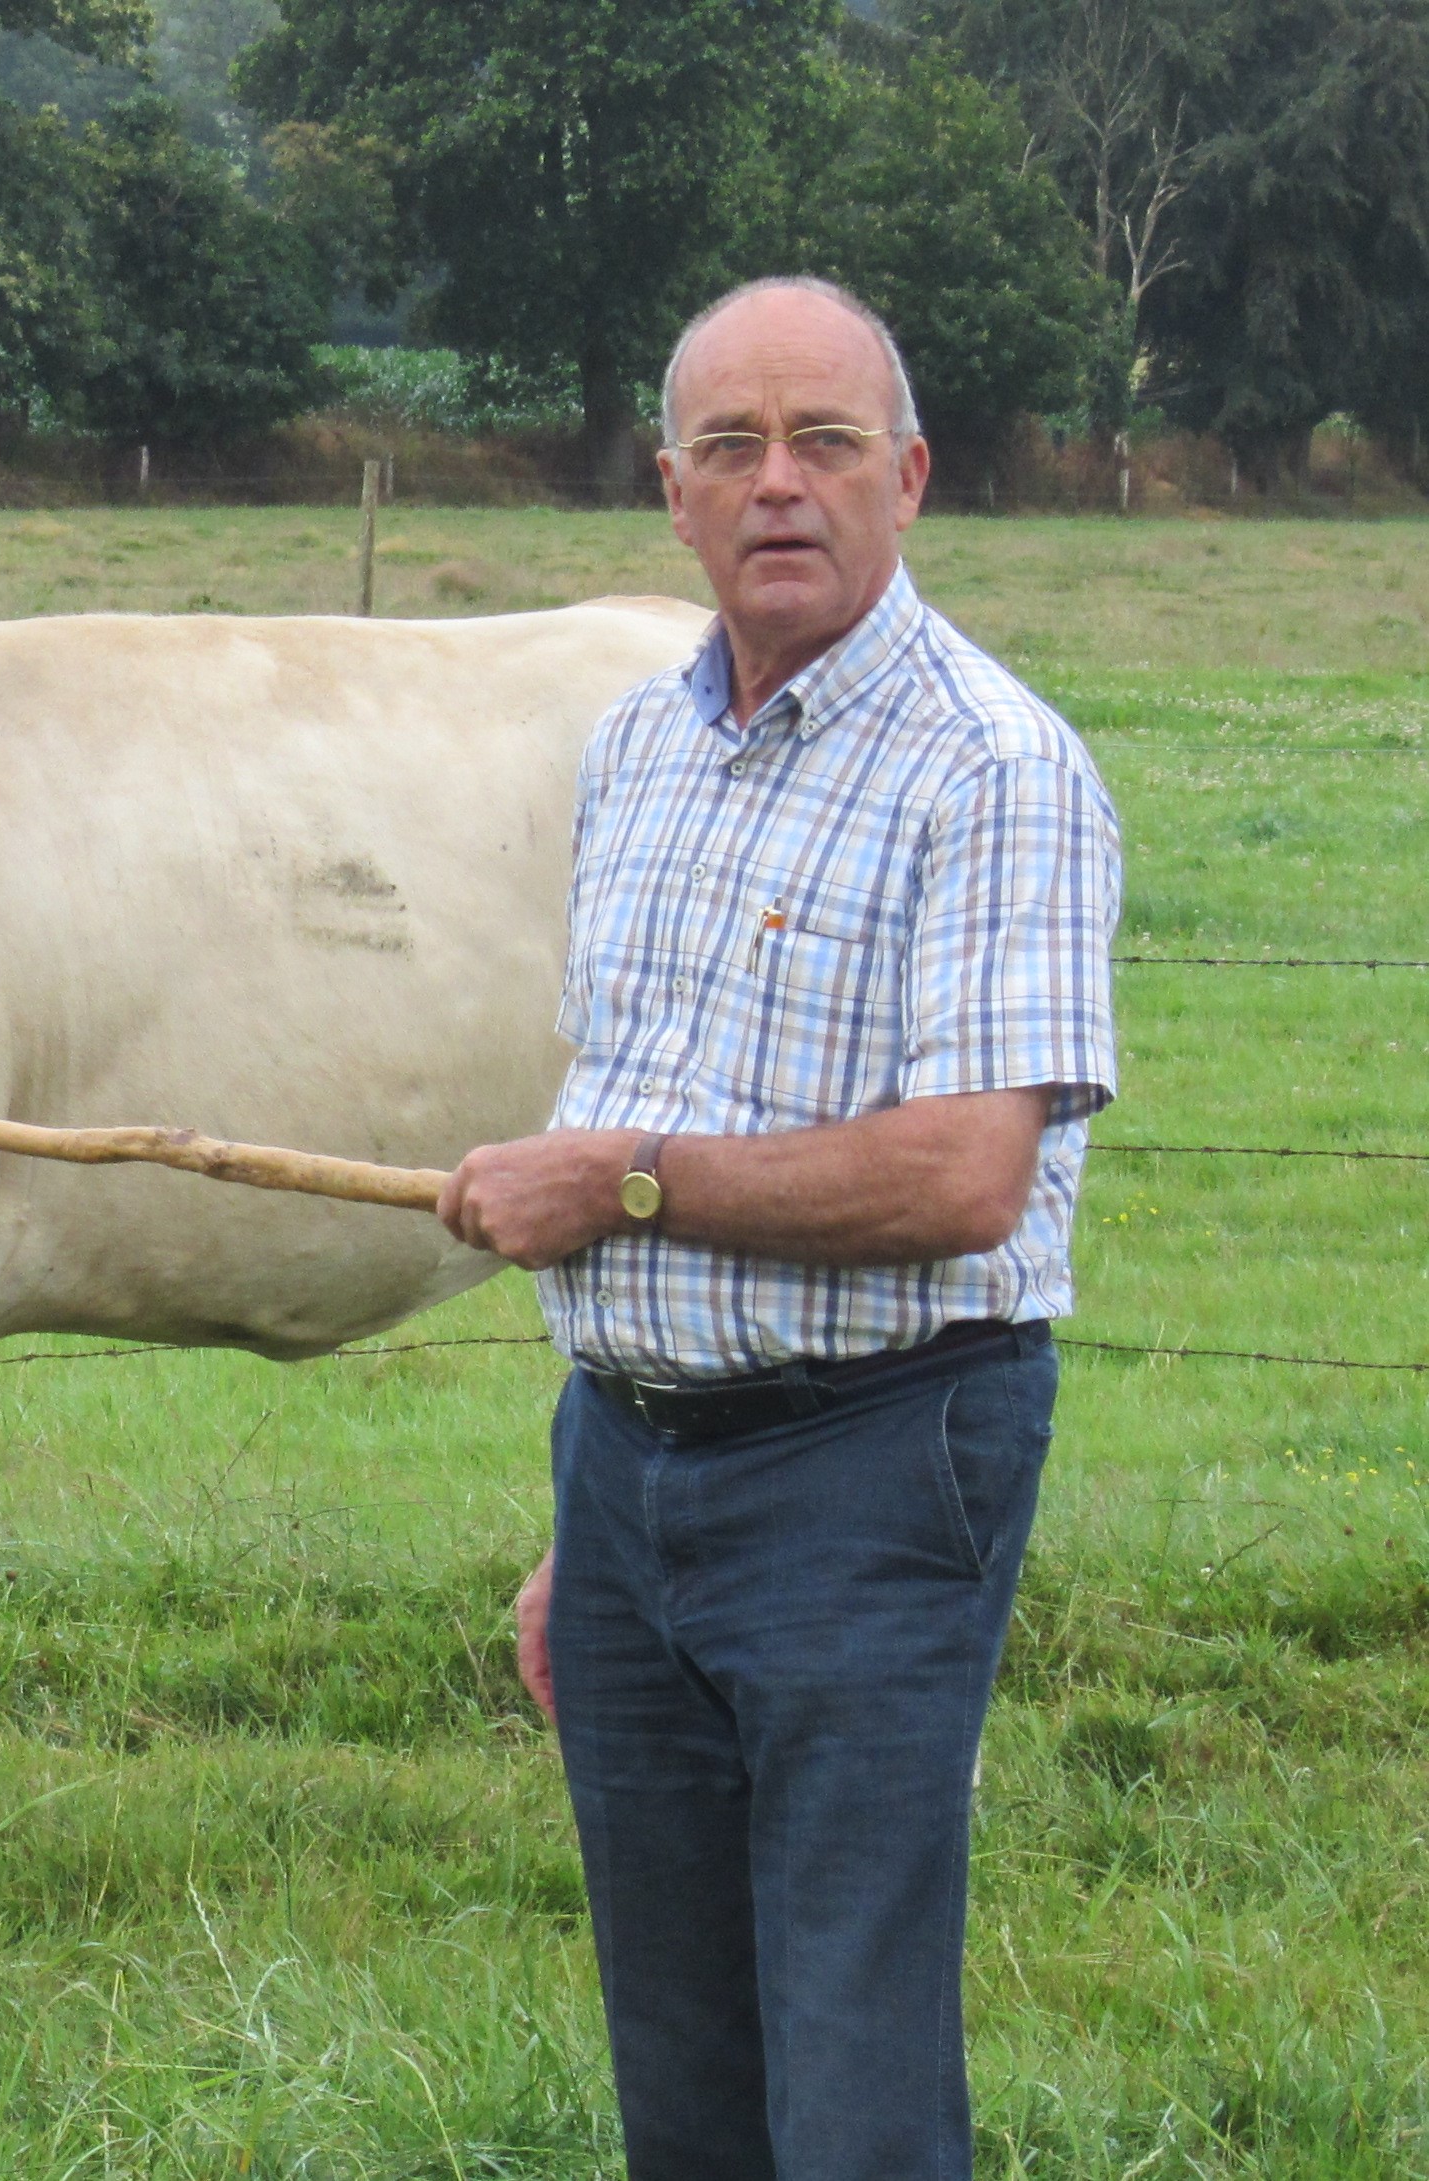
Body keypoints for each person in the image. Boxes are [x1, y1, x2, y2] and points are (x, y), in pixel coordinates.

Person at [434, 275, 1122, 2179]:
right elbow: (628, 1079)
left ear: (909, 476)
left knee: (849, 2061)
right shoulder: (635, 755)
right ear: (668, 491)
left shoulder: (992, 767)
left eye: (823, 442)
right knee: (680, 2055)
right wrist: (601, 1520)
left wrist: (623, 1180)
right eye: (728, 447)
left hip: (876, 1461)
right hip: (637, 1464)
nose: (777, 486)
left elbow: (965, 1173)